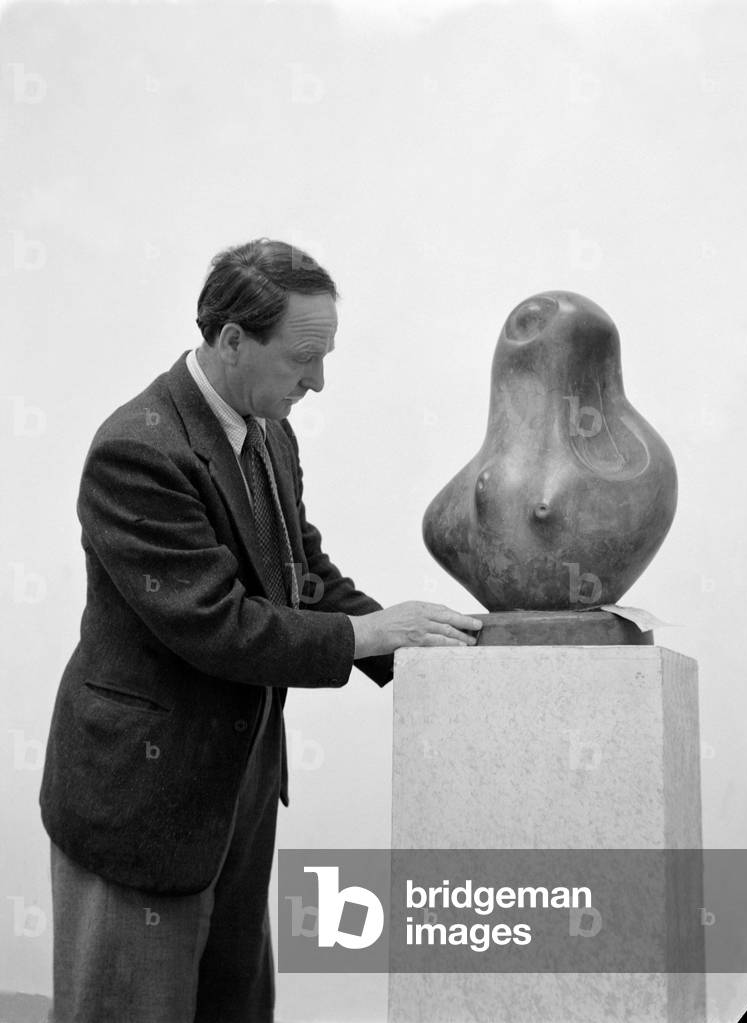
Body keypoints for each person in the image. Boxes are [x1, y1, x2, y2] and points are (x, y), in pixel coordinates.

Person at [38, 238, 483, 1023]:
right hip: (142, 799)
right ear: (233, 339)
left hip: (236, 789)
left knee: (233, 1007)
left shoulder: (268, 429)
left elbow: (299, 573)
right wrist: (368, 637)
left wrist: (426, 653)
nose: (318, 380)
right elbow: (218, 625)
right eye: (303, 358)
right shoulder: (136, 449)